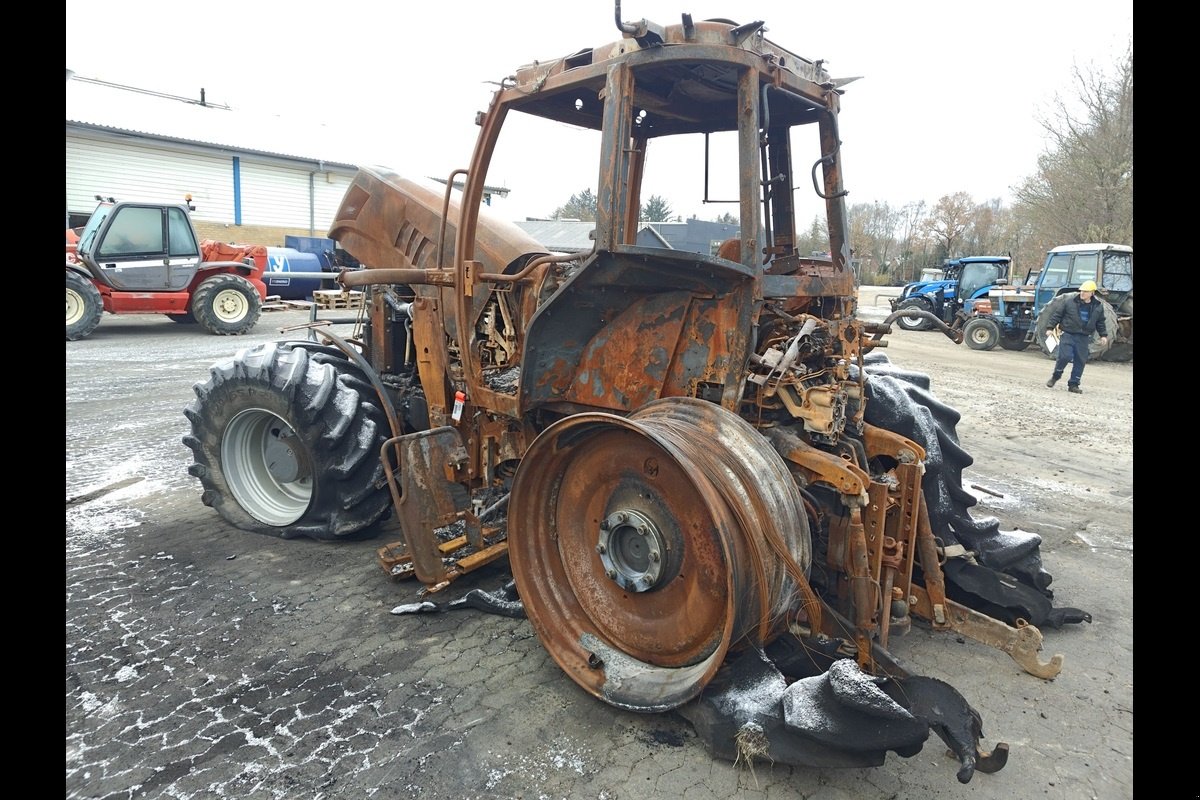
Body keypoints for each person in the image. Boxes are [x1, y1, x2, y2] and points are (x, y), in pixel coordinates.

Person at [1044, 280, 1108, 394]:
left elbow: (1100, 322)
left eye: (1085, 291)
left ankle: (1074, 384)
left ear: (1092, 293)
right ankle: (1056, 376)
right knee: (1065, 356)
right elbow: (1057, 315)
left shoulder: (1098, 307)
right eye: (1081, 291)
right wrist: (1050, 328)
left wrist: (1103, 335)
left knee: (1080, 360)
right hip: (1068, 334)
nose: (1082, 293)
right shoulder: (1069, 302)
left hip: (1083, 337)